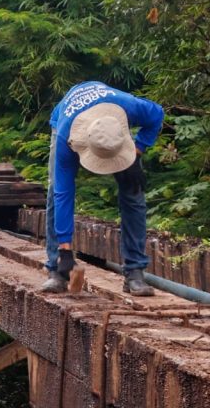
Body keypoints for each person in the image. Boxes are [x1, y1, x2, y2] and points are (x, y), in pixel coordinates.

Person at [41, 81, 165, 296]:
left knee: (133, 192)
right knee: (55, 193)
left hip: (112, 130)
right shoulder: (66, 137)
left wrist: (137, 151)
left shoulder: (132, 107)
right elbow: (64, 194)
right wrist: (65, 247)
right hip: (69, 123)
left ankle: (135, 271)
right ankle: (56, 269)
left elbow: (158, 115)